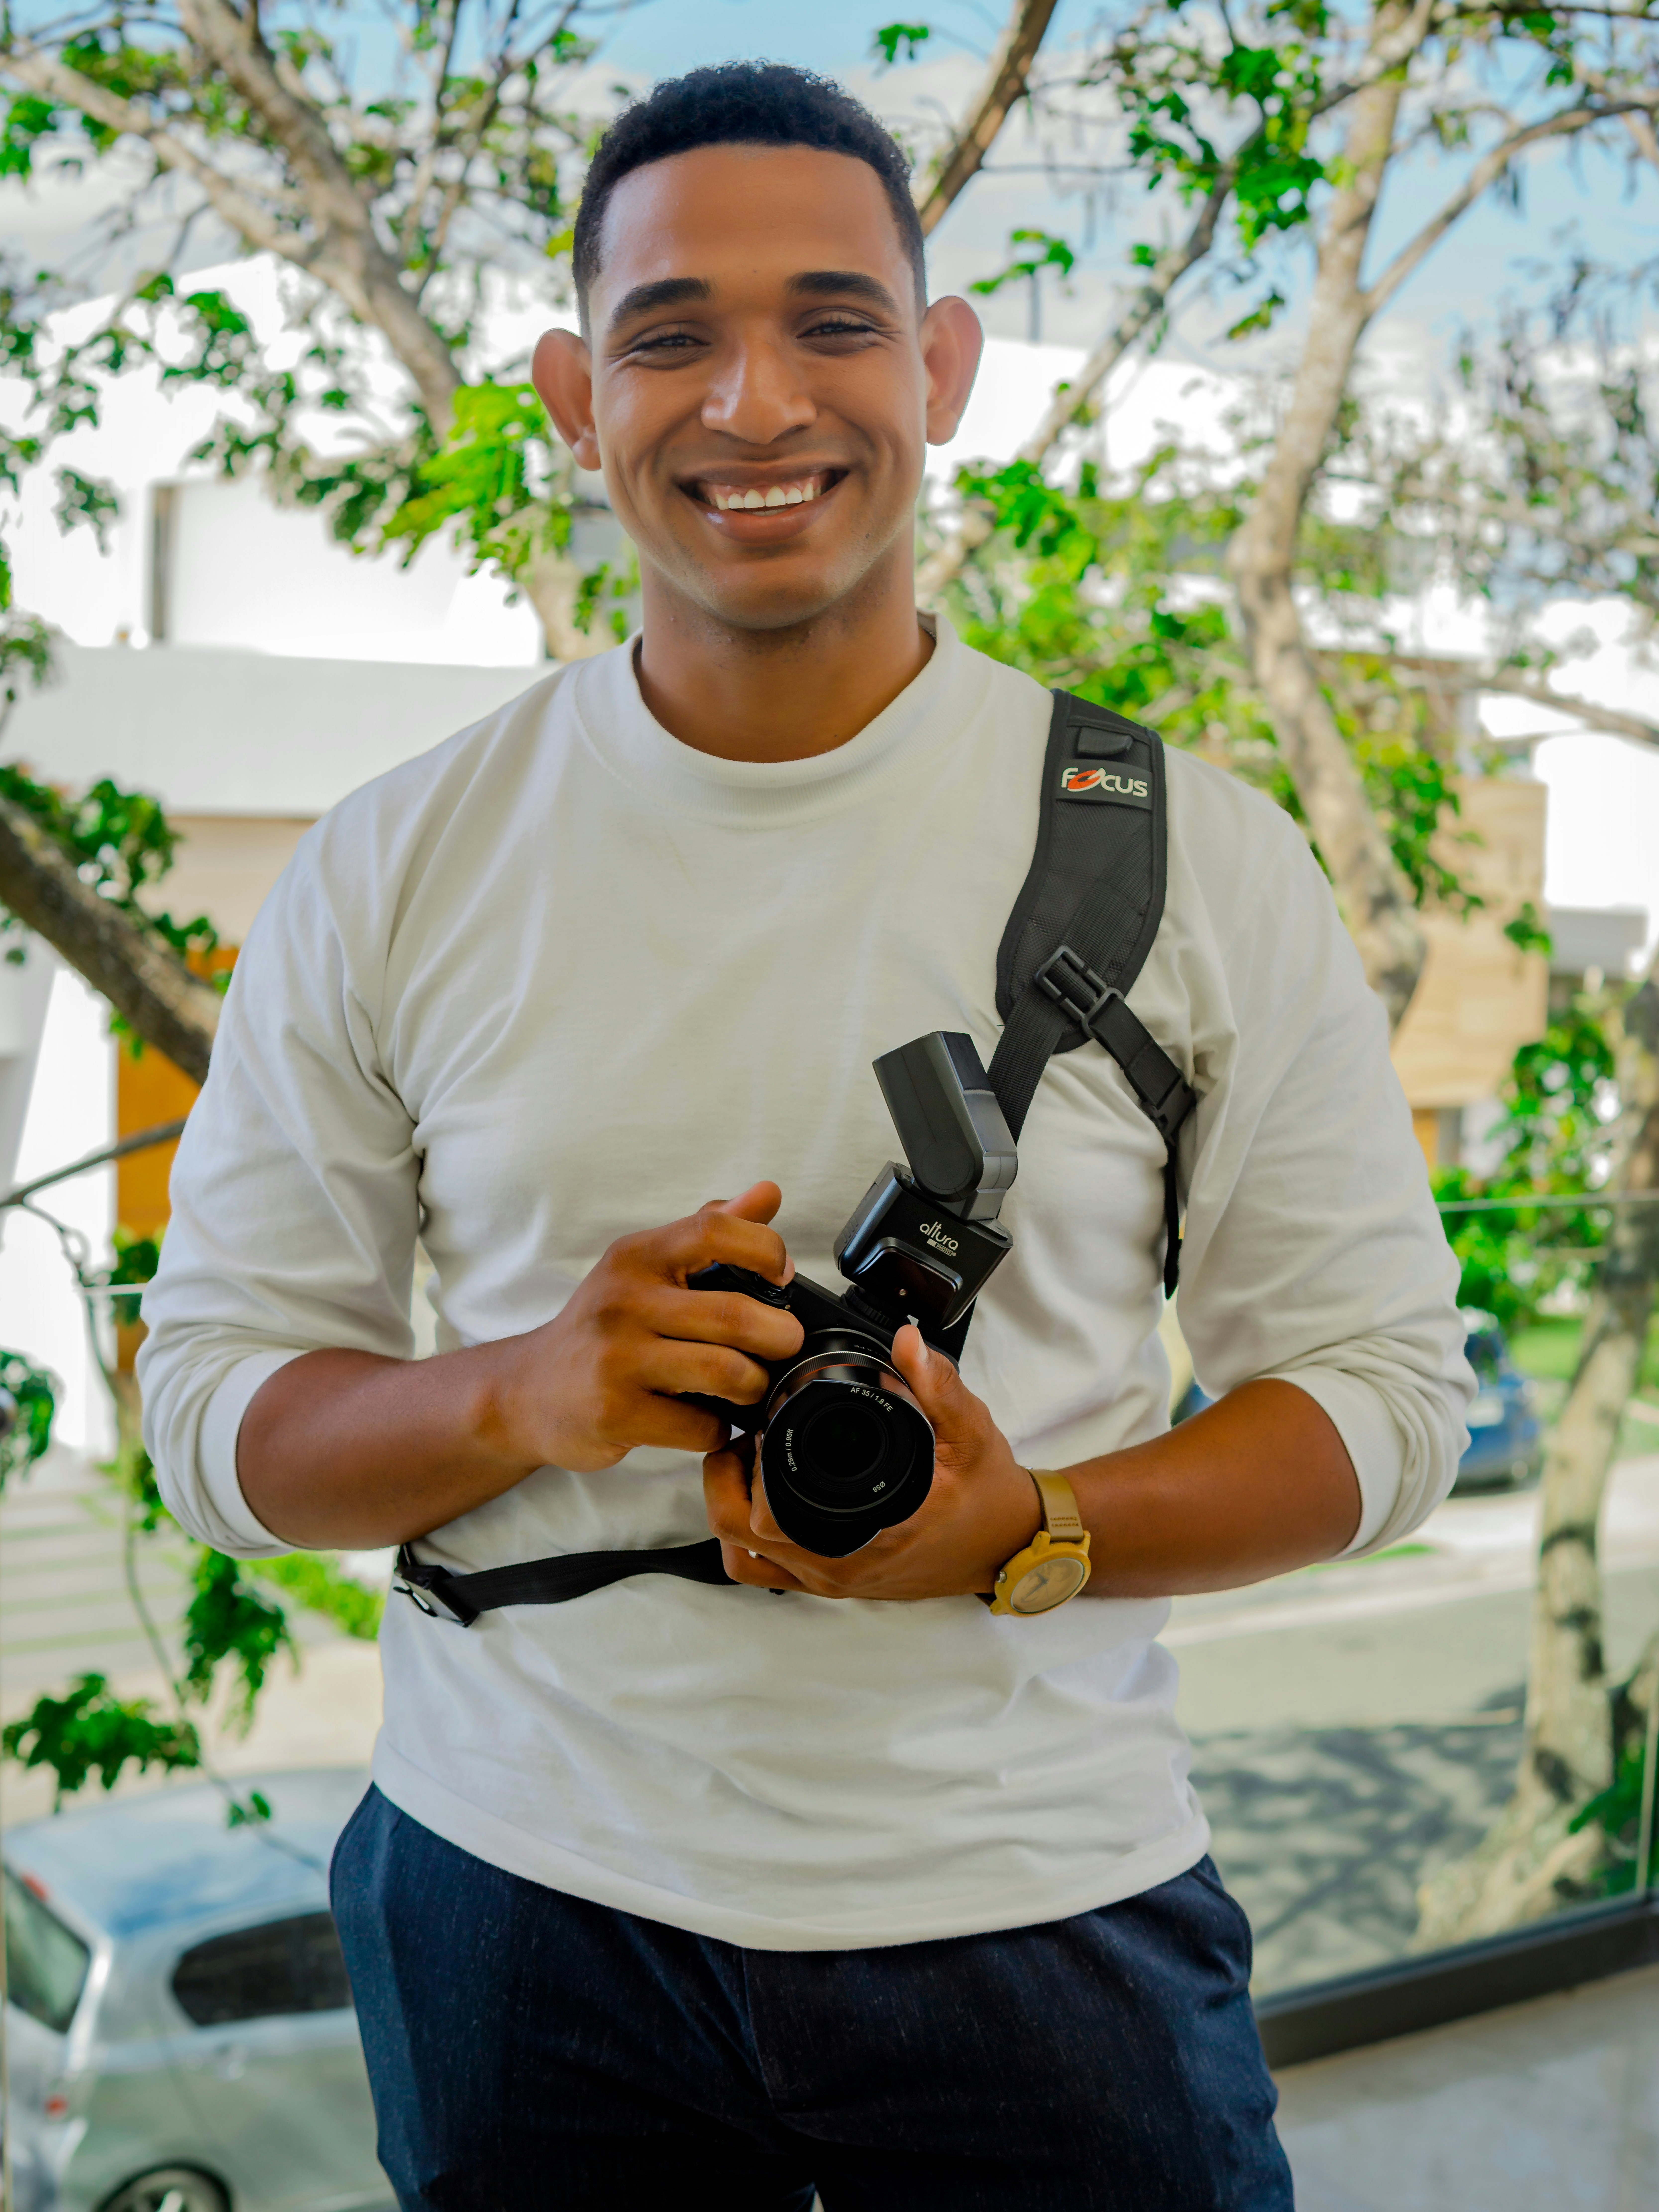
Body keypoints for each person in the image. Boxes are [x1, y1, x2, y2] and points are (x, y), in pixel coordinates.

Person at [140, 60, 1472, 2212]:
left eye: (835, 321)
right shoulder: (395, 863)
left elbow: (1393, 1399)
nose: (756, 401)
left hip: (1050, 1923)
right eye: (671, 335)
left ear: (938, 369)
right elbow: (209, 1414)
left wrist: (1023, 1523)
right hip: (516, 1909)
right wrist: (527, 1391)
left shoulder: (1193, 860)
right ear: (577, 396)